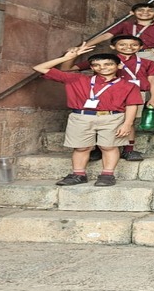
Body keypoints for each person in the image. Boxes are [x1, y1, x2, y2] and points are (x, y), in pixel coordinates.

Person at [32, 45, 142, 186]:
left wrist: (127, 124)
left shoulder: (129, 85)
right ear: (91, 68)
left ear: (119, 65)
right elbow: (39, 68)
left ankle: (107, 175)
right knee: (81, 147)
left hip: (112, 117)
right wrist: (66, 58)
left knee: (109, 146)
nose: (103, 67)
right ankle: (78, 174)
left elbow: (132, 105)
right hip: (81, 117)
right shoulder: (77, 79)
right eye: (97, 65)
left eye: (108, 64)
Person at [63, 34, 154, 161]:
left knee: (130, 121)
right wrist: (72, 56)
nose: (128, 47)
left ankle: (128, 149)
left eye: (133, 45)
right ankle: (98, 148)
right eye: (122, 44)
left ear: (141, 47)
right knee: (105, 119)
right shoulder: (103, 60)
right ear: (113, 46)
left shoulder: (148, 63)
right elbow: (67, 69)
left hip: (136, 92)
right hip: (107, 92)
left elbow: (152, 81)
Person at [85, 2, 154, 107]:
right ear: (132, 12)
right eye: (140, 10)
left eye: (150, 11)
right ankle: (130, 103)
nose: (145, 13)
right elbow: (106, 35)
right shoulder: (126, 25)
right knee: (128, 77)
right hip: (132, 53)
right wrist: (84, 46)